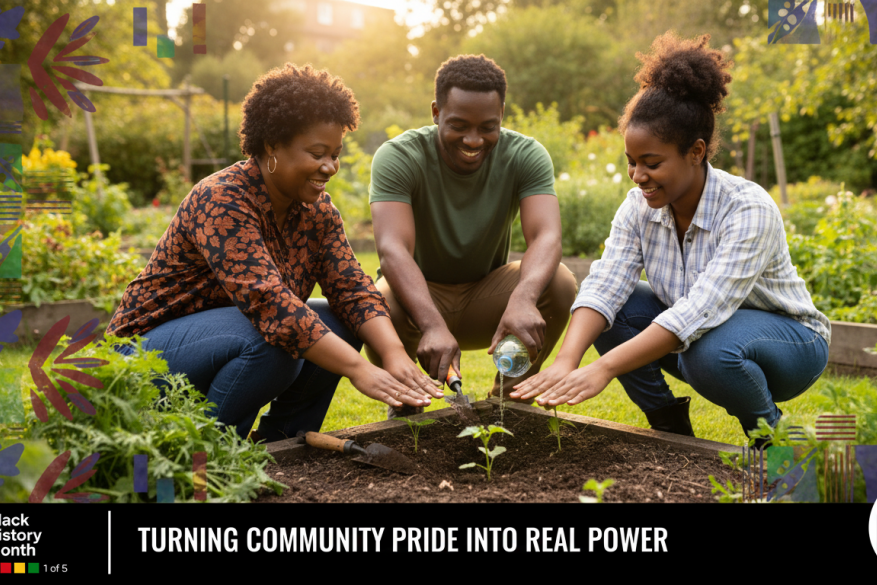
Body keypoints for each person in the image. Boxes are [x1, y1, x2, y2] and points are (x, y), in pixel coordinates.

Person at [510, 33, 831, 445]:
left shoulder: (748, 208)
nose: (637, 176)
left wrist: (603, 369)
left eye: (652, 163)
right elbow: (605, 283)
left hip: (790, 344)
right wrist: (567, 362)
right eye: (631, 162)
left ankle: (772, 437)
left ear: (696, 152)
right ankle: (670, 430)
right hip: (702, 337)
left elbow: (700, 311)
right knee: (613, 311)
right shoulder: (638, 206)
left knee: (709, 351)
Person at [107, 63, 441, 441]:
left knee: (338, 320)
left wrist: (394, 353)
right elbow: (269, 304)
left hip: (223, 340)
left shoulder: (317, 213)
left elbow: (352, 289)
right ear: (271, 146)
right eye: (317, 153)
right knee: (271, 337)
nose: (330, 167)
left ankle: (282, 445)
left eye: (336, 153)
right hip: (139, 358)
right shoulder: (222, 199)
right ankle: (211, 451)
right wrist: (358, 369)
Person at [367, 54, 578, 416]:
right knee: (376, 303)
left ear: (502, 115)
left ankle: (510, 403)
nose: (473, 139)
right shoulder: (399, 156)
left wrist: (524, 297)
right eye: (459, 124)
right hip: (418, 301)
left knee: (558, 283)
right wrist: (432, 324)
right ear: (436, 112)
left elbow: (547, 236)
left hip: (489, 301)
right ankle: (406, 405)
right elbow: (392, 250)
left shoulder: (525, 155)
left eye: (487, 127)